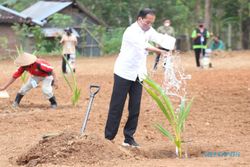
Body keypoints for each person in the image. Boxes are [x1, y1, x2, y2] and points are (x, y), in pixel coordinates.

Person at [104, 8, 169, 147]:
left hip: (139, 74)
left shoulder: (148, 30)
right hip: (124, 72)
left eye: (151, 23)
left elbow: (159, 37)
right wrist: (159, 51)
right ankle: (108, 138)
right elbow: (143, 45)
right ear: (139, 19)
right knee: (117, 106)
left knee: (135, 107)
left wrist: (171, 45)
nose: (149, 25)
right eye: (147, 22)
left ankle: (129, 137)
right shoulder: (131, 31)